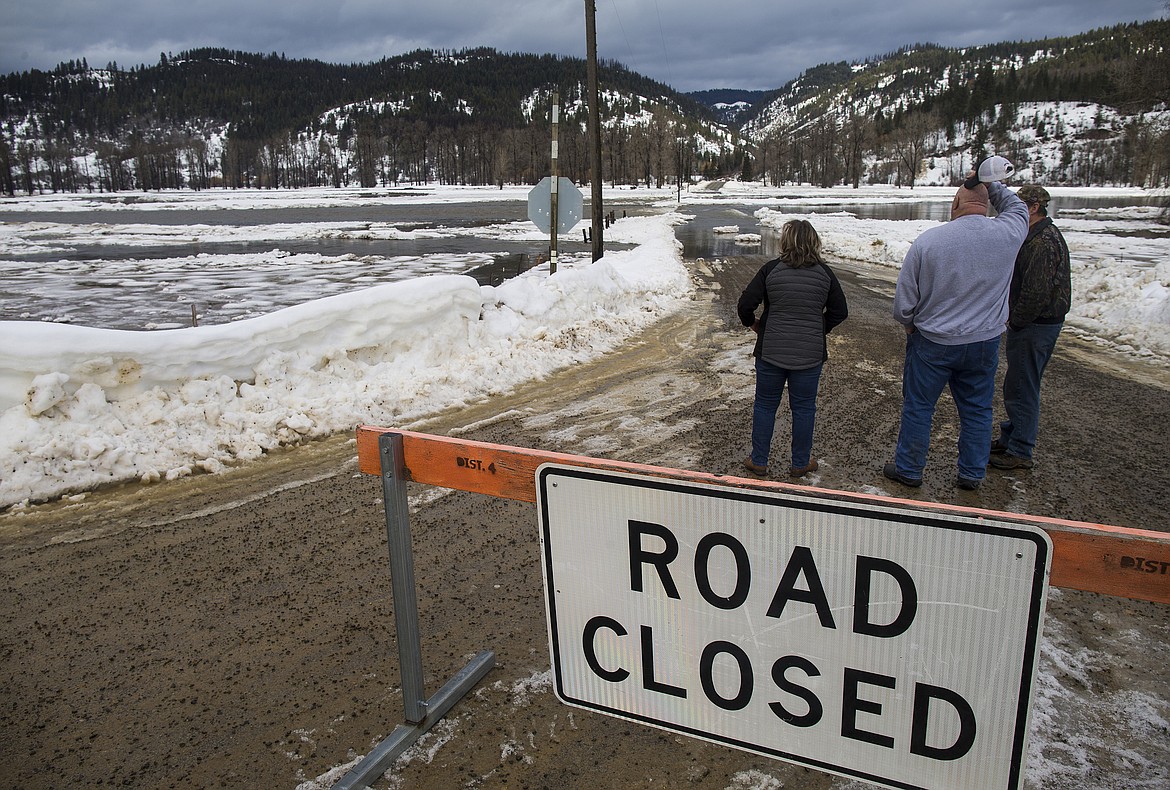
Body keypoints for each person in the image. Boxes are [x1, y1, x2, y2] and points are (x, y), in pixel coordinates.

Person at [883, 171, 1028, 490]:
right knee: (977, 409)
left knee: (919, 406)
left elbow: (904, 300)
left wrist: (909, 324)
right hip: (983, 342)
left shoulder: (929, 241)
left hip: (933, 341)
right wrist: (990, 183)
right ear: (987, 204)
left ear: (957, 202)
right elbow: (1017, 207)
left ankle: (910, 469)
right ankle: (972, 473)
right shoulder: (1008, 233)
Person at [738, 219, 848, 478]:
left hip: (771, 352)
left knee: (765, 405)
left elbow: (745, 304)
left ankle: (759, 460)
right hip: (809, 355)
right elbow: (840, 311)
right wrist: (819, 330)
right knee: (804, 408)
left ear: (785, 242)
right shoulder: (825, 273)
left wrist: (754, 324)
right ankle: (800, 463)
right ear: (814, 242)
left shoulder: (771, 270)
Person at [990, 185, 1071, 470]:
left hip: (1036, 325)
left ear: (1034, 207)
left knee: (1023, 386)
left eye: (1019, 204)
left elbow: (1036, 293)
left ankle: (1021, 450)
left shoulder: (1043, 242)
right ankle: (1011, 437)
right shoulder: (1034, 235)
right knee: (1017, 382)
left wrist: (1016, 320)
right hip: (1034, 324)